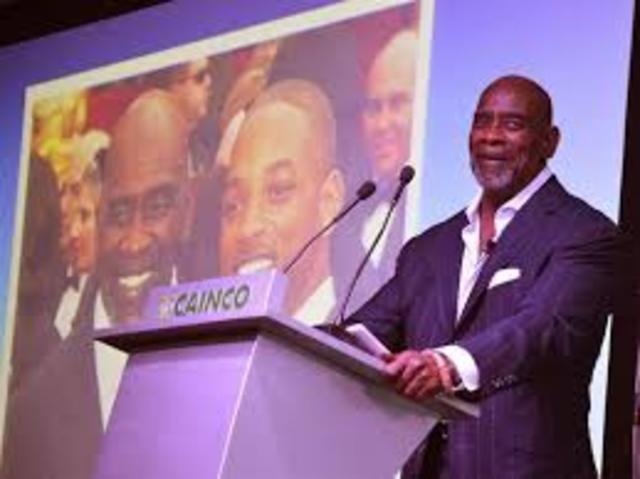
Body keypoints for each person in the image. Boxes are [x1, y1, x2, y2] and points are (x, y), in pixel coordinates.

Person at [347, 75, 625, 478]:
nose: (491, 136)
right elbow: (364, 332)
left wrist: (445, 365)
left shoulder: (585, 233)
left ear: (549, 142)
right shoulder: (429, 248)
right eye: (482, 122)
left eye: (512, 124)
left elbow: (542, 327)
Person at [218, 79, 345, 325]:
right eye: (232, 205)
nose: (247, 229)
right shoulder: (209, 345)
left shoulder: (360, 335)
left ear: (329, 200)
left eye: (277, 191)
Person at [96, 88, 194, 325]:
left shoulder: (218, 329)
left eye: (156, 208)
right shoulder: (53, 350)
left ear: (188, 212)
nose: (134, 244)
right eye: (119, 215)